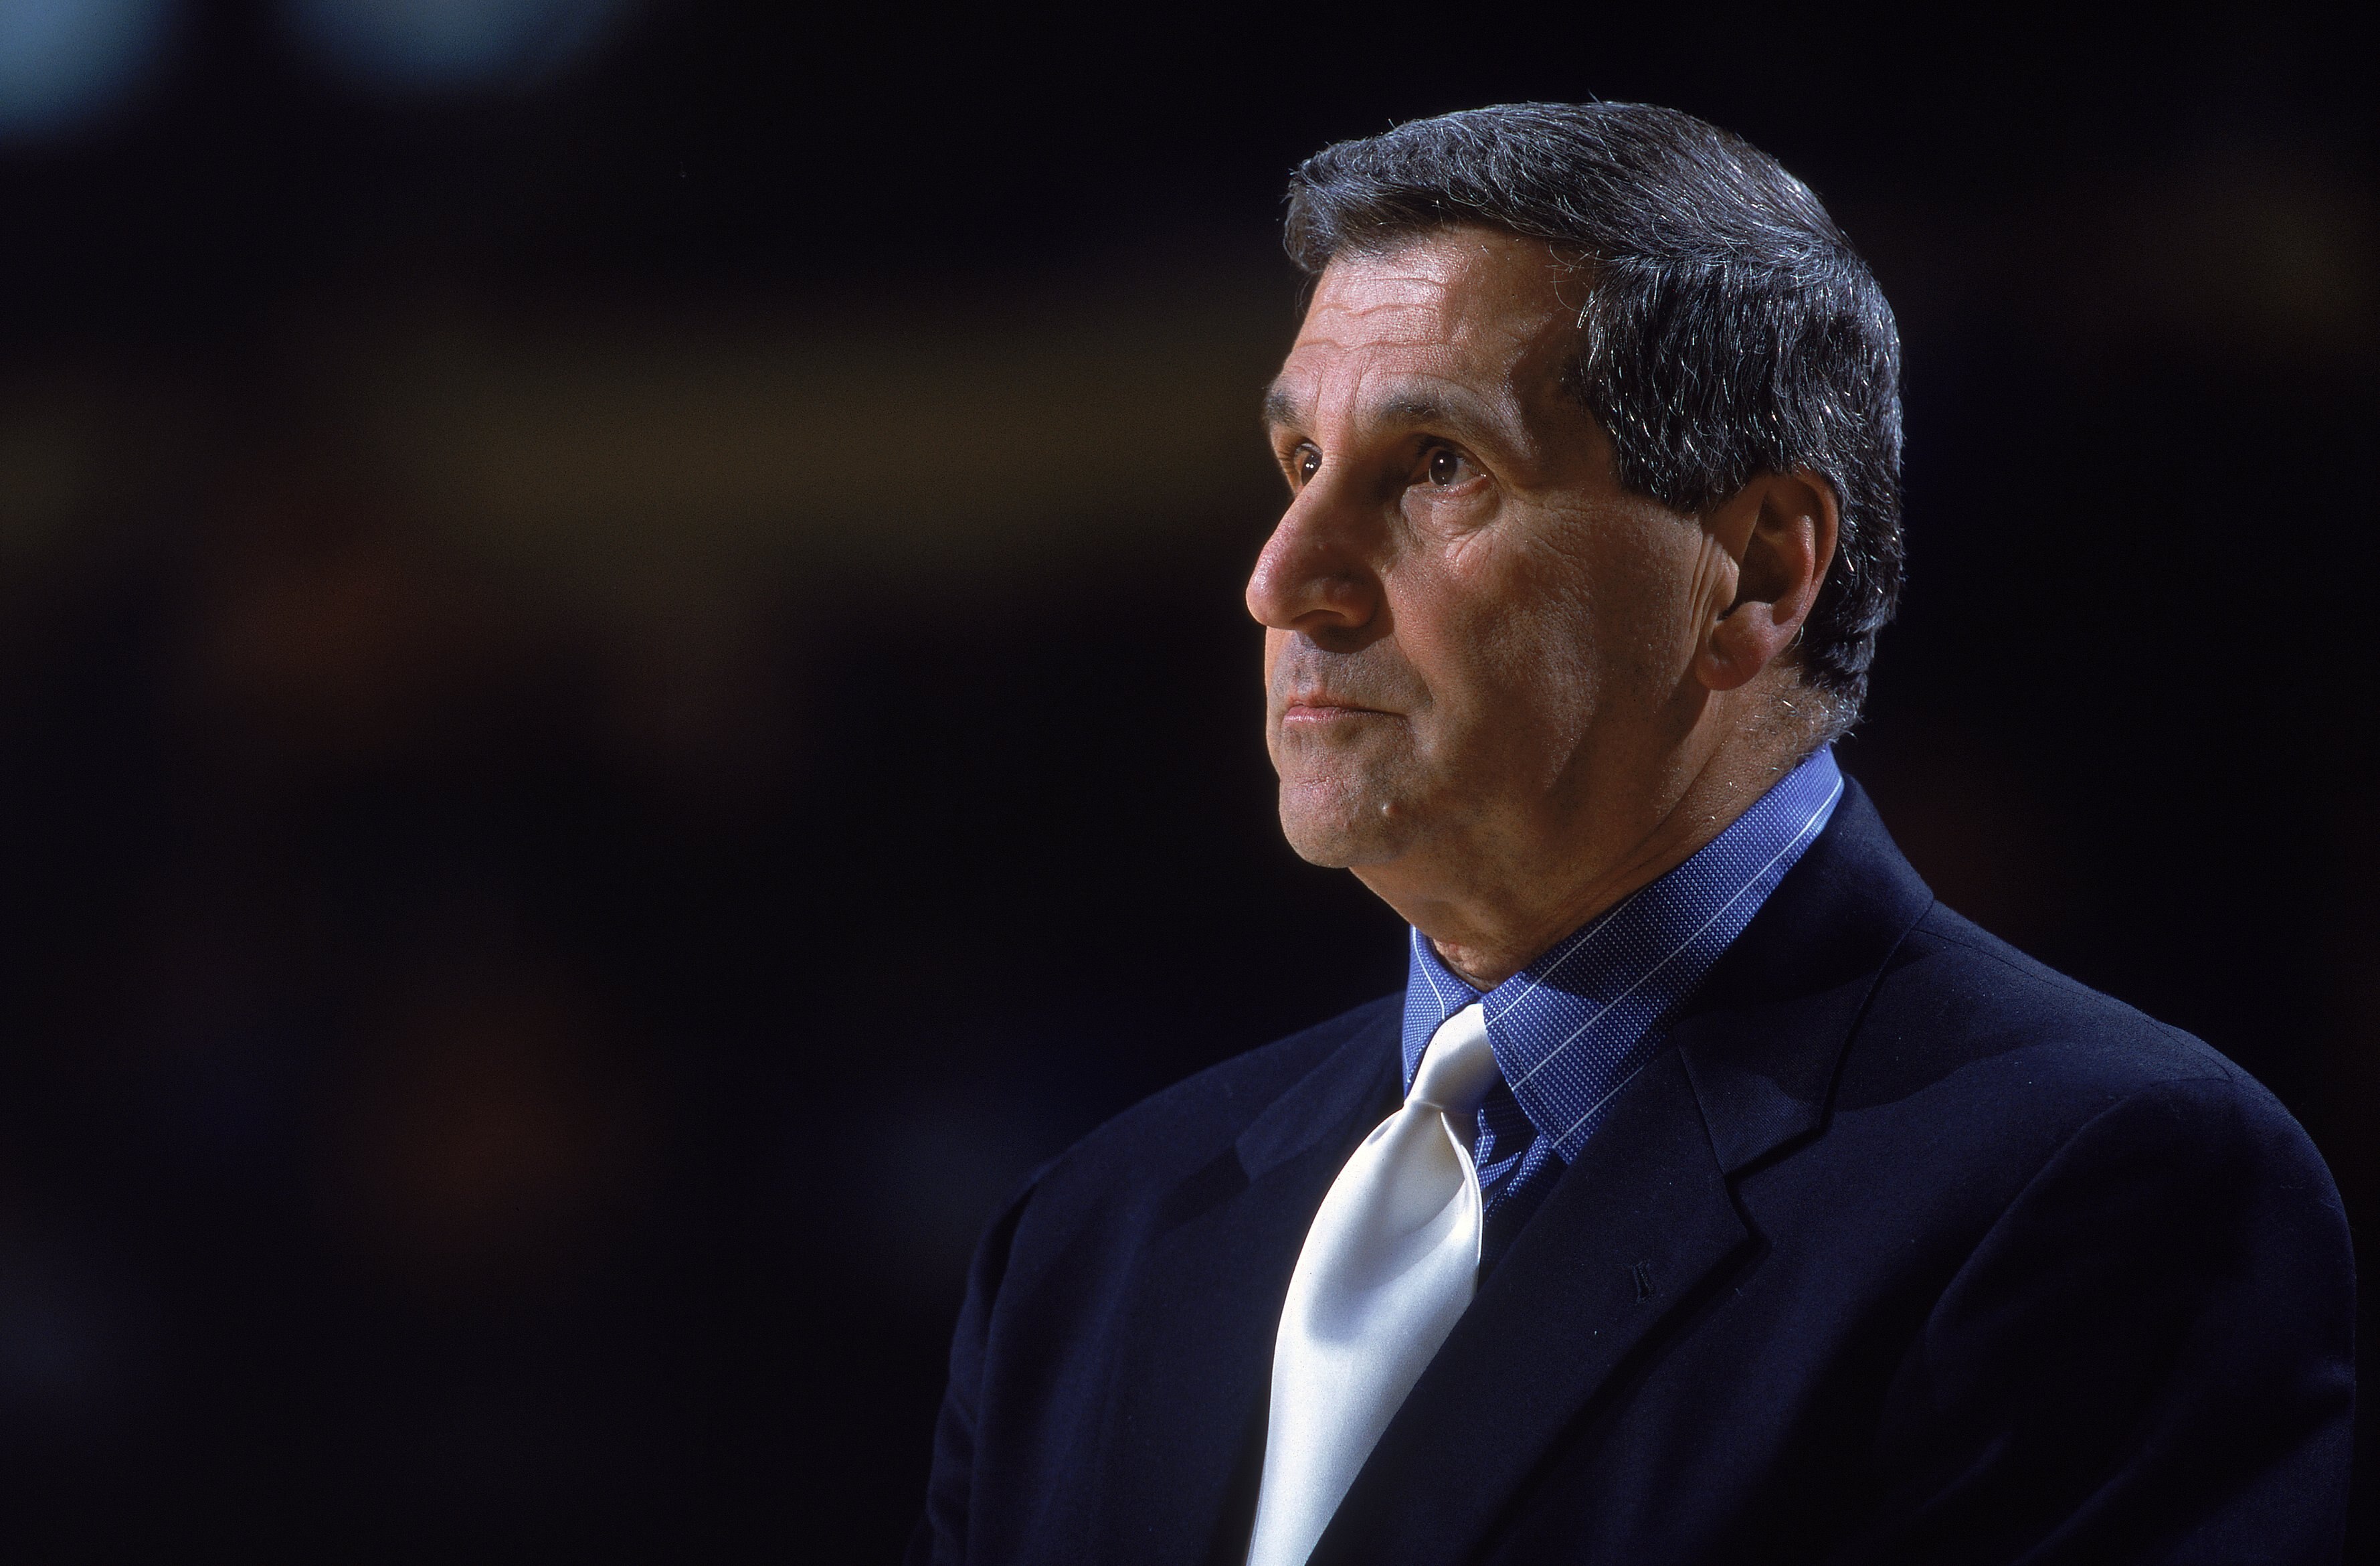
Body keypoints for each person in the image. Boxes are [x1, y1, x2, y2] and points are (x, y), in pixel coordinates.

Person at [908, 102, 2355, 1565]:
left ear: (1758, 571)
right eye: (1299, 466)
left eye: (1437, 466)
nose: (1285, 580)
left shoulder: (2097, 1193)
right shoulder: (1093, 1236)